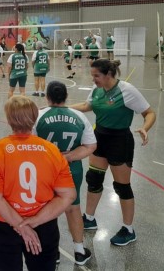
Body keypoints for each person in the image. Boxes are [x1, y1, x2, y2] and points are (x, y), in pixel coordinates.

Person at [0, 96, 76, 271]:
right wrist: (33, 222)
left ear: (9, 120)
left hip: (3, 225)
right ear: (34, 119)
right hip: (43, 225)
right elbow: (68, 195)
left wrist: (21, 226)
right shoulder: (52, 150)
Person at [70, 59, 156, 246]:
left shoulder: (126, 90)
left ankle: (128, 229)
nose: (93, 79)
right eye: (92, 76)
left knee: (122, 187)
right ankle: (90, 218)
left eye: (96, 76)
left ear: (109, 74)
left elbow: (150, 113)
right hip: (99, 137)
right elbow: (87, 106)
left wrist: (144, 128)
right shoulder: (97, 90)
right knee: (94, 179)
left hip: (119, 141)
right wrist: (63, 108)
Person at [33, 81, 97, 266]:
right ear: (66, 97)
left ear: (48, 97)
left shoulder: (38, 115)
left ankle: (52, 252)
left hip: (45, 170)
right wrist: (69, 156)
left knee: (47, 208)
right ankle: (79, 251)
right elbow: (90, 146)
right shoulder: (79, 116)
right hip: (71, 169)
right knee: (73, 208)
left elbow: (31, 144)